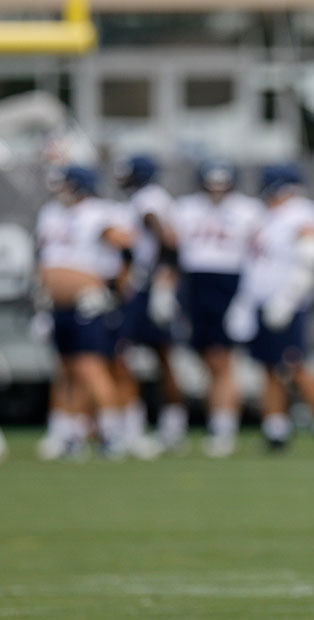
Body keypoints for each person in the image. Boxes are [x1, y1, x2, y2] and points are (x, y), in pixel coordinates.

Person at [233, 164, 314, 451]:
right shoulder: (266, 215)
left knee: (296, 364)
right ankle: (275, 431)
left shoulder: (302, 212)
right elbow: (256, 263)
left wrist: (287, 300)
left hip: (287, 304)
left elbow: (311, 260)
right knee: (268, 367)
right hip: (261, 302)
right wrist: (244, 301)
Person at [34, 164, 135, 459]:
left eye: (65, 185)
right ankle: (71, 435)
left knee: (90, 368)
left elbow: (127, 247)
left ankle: (111, 433)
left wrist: (114, 290)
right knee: (65, 370)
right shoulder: (50, 213)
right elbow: (43, 257)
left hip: (88, 303)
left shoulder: (101, 213)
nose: (60, 191)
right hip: (57, 304)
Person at [169, 159, 263, 457]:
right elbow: (171, 252)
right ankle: (215, 424)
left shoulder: (248, 210)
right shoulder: (184, 209)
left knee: (222, 360)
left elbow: (257, 257)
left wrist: (246, 298)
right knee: (203, 359)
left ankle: (223, 429)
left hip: (229, 284)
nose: (217, 191)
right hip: (194, 285)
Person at [114, 155, 186, 452]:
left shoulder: (148, 198)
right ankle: (171, 427)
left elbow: (165, 237)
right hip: (152, 284)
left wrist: (157, 276)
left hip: (148, 286)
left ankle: (138, 427)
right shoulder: (154, 197)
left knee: (128, 353)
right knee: (160, 356)